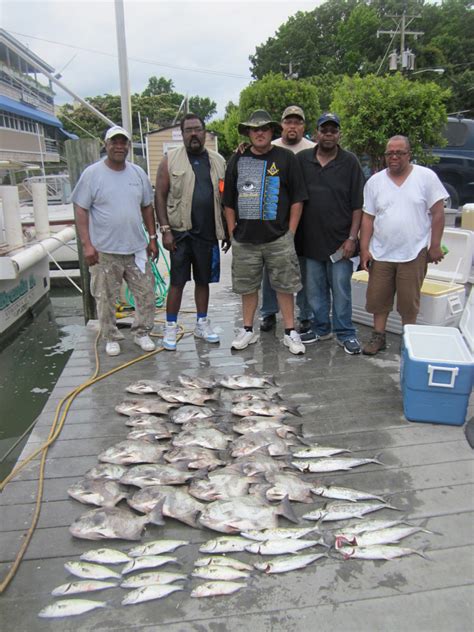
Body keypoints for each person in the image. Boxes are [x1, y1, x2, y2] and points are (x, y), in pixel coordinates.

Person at [223, 109, 308, 355]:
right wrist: (232, 233)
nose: (259, 133)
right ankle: (247, 329)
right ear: (249, 133)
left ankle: (291, 332)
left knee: (285, 285)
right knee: (247, 287)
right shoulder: (237, 159)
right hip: (245, 239)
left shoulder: (286, 158)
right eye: (254, 129)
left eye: (264, 128)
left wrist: (290, 233)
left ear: (272, 131)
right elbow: (228, 200)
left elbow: (297, 199)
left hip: (279, 238)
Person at [73, 125, 157, 357]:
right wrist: (87, 245)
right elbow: (80, 209)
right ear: (106, 144)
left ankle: (141, 332)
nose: (119, 146)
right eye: (114, 142)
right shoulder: (92, 174)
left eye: (123, 142)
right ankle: (110, 335)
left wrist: (152, 237)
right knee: (105, 297)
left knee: (147, 293)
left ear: (128, 146)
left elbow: (147, 206)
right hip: (105, 251)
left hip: (136, 248)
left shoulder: (138, 173)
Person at [360, 135, 447, 355]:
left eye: (399, 152)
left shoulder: (426, 177)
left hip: (414, 251)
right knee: (378, 300)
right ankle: (378, 337)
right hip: (381, 252)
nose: (394, 157)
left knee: (409, 303)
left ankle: (409, 341)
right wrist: (364, 249)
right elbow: (368, 218)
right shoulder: (375, 182)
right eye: (390, 153)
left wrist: (434, 245)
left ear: (409, 154)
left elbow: (438, 213)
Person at [155, 113, 227, 351]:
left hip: (207, 233)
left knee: (203, 281)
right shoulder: (169, 160)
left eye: (198, 129)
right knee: (177, 282)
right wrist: (165, 230)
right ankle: (171, 326)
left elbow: (224, 198)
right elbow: (160, 196)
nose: (194, 134)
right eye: (189, 130)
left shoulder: (217, 160)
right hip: (179, 233)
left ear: (205, 132)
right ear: (182, 134)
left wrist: (225, 230)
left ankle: (201, 323)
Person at [296, 112, 365, 355]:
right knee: (314, 291)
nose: (328, 134)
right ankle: (321, 328)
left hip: (340, 244)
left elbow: (358, 205)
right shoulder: (303, 159)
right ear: (316, 134)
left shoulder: (350, 162)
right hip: (311, 242)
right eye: (324, 130)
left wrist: (352, 239)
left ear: (339, 134)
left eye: (333, 130)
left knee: (341, 290)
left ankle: (346, 333)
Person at [260, 105, 315, 334]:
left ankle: (304, 314)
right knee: (271, 269)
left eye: (297, 122)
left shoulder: (313, 148)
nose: (292, 126)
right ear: (281, 125)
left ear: (303, 126)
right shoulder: (269, 147)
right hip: (273, 219)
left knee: (302, 269)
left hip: (305, 218)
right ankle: (269, 313)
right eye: (288, 122)